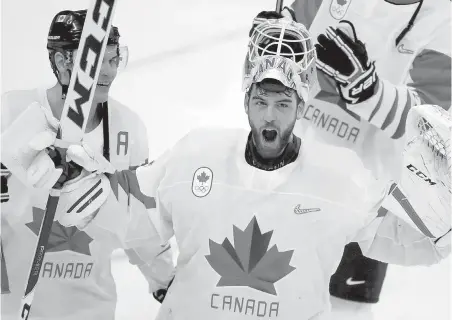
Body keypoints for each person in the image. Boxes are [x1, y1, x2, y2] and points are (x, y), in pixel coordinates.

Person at [122, 17, 448, 319]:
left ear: (302, 105)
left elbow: (417, 239)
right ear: (245, 100)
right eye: (261, 102)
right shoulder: (194, 154)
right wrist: (161, 277)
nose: (269, 116)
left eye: (282, 104)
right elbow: (128, 212)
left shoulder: (342, 179)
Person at [274, 0, 452, 308]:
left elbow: (426, 120)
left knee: (343, 311)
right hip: (284, 181)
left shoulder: (445, 19)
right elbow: (275, 65)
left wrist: (367, 90)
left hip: (366, 211)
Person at [0, 9, 173, 320]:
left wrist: (165, 281)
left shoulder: (129, 130)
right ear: (62, 63)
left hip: (91, 309)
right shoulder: (10, 114)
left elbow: (137, 222)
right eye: (98, 63)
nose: (109, 72)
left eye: (114, 59)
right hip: (15, 309)